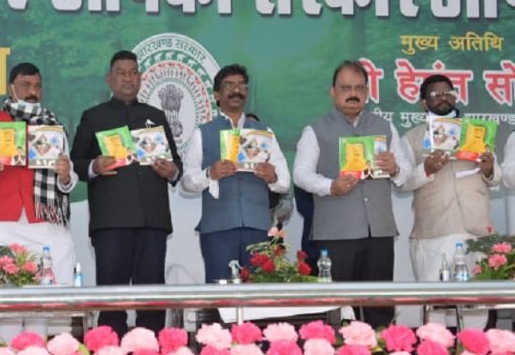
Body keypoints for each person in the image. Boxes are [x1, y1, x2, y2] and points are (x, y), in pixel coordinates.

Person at [0, 62, 77, 343]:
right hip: (1, 225)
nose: (32, 91)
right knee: (5, 306)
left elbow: (69, 179)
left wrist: (65, 175)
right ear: (11, 88)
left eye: (37, 86)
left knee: (42, 305)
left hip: (43, 225)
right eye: (26, 85)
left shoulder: (53, 127)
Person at [293, 59, 412, 328]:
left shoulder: (385, 127)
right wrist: (330, 186)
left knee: (379, 307)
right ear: (332, 92)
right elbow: (300, 173)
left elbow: (405, 173)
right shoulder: (315, 130)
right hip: (336, 235)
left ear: (367, 92)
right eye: (345, 88)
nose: (353, 93)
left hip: (378, 233)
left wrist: (394, 169)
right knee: (339, 309)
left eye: (359, 87)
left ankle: (381, 352)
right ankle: (337, 353)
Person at [70, 50, 181, 335]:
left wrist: (172, 171)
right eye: (121, 73)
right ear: (109, 79)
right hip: (111, 222)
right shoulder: (93, 117)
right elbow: (75, 164)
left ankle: (150, 352)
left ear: (140, 78)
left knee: (152, 298)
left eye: (133, 73)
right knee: (112, 299)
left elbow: (176, 164)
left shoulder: (155, 116)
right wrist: (94, 166)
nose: (128, 79)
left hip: (152, 221)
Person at [180, 65, 290, 282]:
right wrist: (210, 173)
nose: (236, 90)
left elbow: (285, 182)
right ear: (216, 94)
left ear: (246, 92)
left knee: (257, 293)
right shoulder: (202, 133)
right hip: (218, 229)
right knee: (220, 293)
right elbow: (186, 182)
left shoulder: (264, 132)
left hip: (258, 228)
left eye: (241, 85)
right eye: (229, 86)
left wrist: (273, 177)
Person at [401, 75, 499, 278]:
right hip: (435, 234)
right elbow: (402, 182)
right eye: (435, 94)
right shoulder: (412, 138)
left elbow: (497, 178)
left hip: (477, 232)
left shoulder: (476, 131)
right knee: (437, 296)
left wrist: (489, 169)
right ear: (423, 103)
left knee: (479, 297)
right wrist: (426, 169)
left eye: (448, 93)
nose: (443, 97)